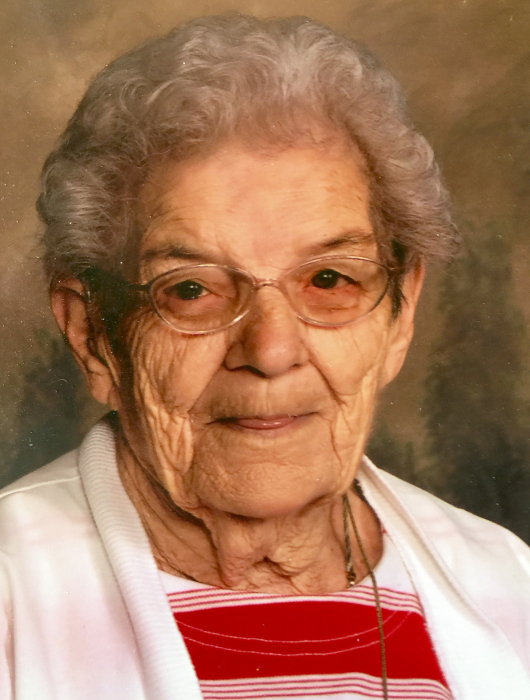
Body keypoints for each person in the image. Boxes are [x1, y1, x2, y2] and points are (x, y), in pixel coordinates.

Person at [1, 13, 530, 700]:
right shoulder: (13, 591)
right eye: (191, 290)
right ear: (93, 336)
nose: (272, 351)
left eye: (330, 280)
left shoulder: (507, 581)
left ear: (400, 315)